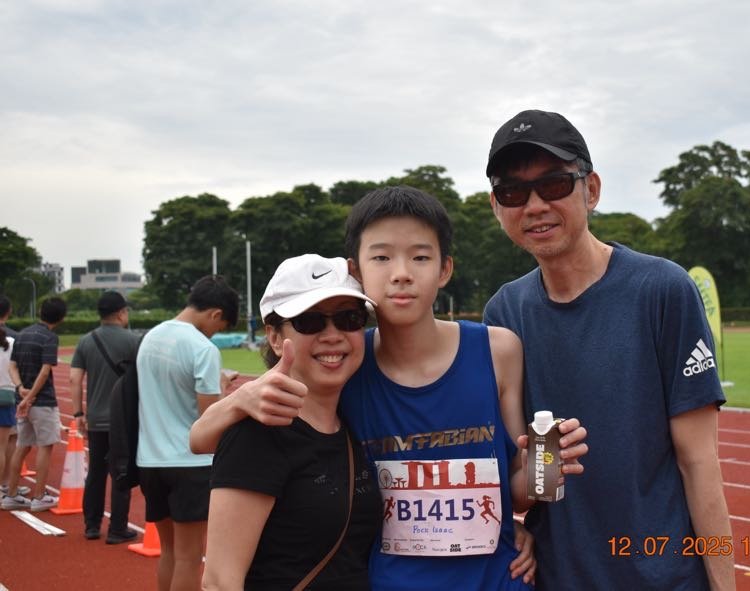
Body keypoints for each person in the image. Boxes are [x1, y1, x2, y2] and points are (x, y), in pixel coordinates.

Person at [192, 186, 589, 591]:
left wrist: (548, 469)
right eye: (381, 257)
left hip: (496, 580)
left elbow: (517, 494)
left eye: (420, 256)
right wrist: (240, 397)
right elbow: (209, 440)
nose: (401, 272)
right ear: (357, 271)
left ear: (445, 268)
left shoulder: (498, 349)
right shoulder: (345, 361)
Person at [482, 109, 734, 590]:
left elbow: (699, 463)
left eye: (554, 184)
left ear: (591, 189)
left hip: (664, 577)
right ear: (497, 207)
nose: (534, 205)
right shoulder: (505, 313)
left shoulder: (662, 290)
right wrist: (536, 481)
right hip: (558, 579)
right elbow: (522, 484)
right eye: (513, 192)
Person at [201, 255, 382, 590]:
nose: (333, 335)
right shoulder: (258, 434)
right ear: (272, 336)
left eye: (349, 318)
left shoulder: (354, 418)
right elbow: (219, 581)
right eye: (309, 321)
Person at [137, 275, 238, 591]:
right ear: (215, 314)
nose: (215, 333)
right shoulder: (202, 348)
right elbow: (208, 419)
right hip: (188, 463)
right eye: (219, 328)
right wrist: (223, 388)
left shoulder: (150, 338)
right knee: (189, 557)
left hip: (150, 460)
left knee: (168, 552)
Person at [69, 291, 141, 543]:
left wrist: (78, 412)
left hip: (96, 418)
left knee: (96, 473)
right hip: (124, 420)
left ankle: (91, 526)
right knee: (122, 472)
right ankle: (117, 529)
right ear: (121, 312)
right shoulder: (133, 341)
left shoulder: (86, 341)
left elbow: (74, 379)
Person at [2, 297, 67, 512]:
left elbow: (13, 366)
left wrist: (21, 388)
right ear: (62, 318)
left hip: (22, 399)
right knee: (45, 446)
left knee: (22, 446)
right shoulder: (50, 338)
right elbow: (46, 369)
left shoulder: (22, 335)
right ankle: (39, 496)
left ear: (40, 311)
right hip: (43, 401)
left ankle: (10, 494)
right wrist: (31, 397)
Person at [0, 295, 27, 498]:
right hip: (6, 394)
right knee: (7, 443)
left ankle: (6, 485)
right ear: (8, 312)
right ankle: (5, 484)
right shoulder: (12, 340)